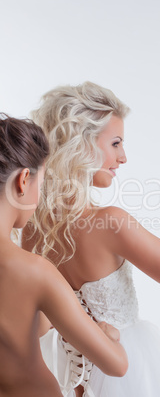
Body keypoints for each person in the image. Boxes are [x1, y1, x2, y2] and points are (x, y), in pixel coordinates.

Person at [22, 81, 160, 397]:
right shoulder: (111, 224)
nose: (123, 157)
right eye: (116, 143)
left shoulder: (30, 230)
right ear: (80, 145)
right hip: (128, 373)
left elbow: (38, 325)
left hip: (71, 384)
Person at [0, 114, 128, 397]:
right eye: (41, 182)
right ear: (23, 181)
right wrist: (111, 337)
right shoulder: (35, 271)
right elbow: (117, 365)